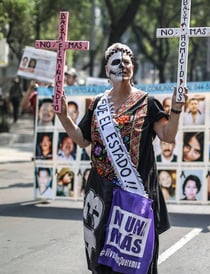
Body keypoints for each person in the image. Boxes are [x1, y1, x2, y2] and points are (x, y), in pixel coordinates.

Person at [54, 42, 185, 273]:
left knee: (136, 262)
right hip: (102, 194)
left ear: (133, 68)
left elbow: (167, 135)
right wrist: (64, 116)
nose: (122, 66)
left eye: (127, 62)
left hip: (135, 195)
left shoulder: (148, 103)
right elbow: (82, 139)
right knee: (103, 259)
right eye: (116, 62)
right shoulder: (98, 105)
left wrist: (175, 111)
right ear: (107, 70)